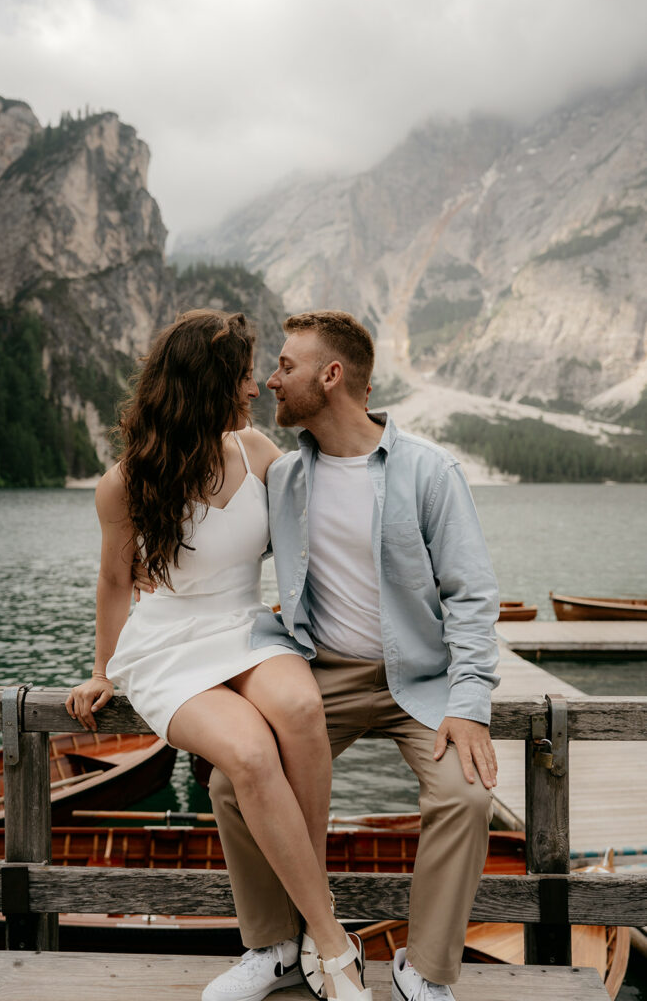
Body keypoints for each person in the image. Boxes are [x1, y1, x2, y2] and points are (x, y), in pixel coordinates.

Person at [65, 309, 371, 1001]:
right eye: (240, 378)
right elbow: (115, 583)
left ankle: (296, 927)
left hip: (246, 626)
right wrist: (101, 670)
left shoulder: (257, 451)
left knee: (299, 707)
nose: (255, 389)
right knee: (251, 756)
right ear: (205, 388)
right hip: (170, 644)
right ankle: (331, 946)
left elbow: (326, 516)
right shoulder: (125, 483)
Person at [201, 310, 501, 1001]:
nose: (271, 380)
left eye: (286, 367)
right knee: (230, 781)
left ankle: (423, 971)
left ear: (331, 377)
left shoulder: (429, 471)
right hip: (317, 673)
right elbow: (213, 555)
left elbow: (473, 596)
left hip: (420, 680)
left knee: (466, 795)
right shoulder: (283, 479)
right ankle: (275, 946)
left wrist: (470, 703)